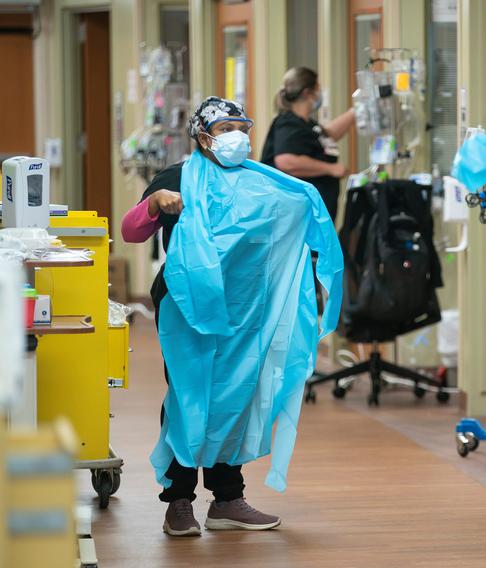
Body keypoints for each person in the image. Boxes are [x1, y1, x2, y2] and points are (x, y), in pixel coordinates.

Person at [121, 97, 281, 537]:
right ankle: (178, 501)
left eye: (242, 127)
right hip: (188, 309)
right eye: (226, 127)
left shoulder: (257, 181)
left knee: (234, 394)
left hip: (243, 309)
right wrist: (155, 203)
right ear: (204, 135)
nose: (237, 136)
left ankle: (227, 499)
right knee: (189, 397)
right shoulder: (177, 178)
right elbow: (131, 232)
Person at [261, 67, 355, 221]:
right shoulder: (288, 123)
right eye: (318, 89)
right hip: (296, 215)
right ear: (307, 93)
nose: (320, 94)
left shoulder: (306, 124)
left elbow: (327, 135)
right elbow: (286, 161)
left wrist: (354, 112)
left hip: (311, 212)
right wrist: (331, 169)